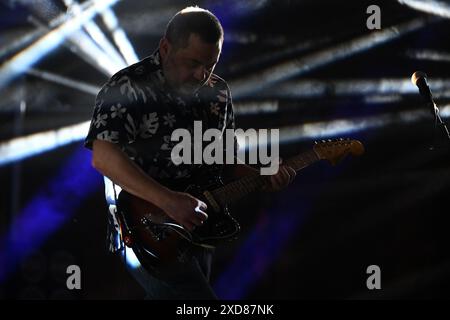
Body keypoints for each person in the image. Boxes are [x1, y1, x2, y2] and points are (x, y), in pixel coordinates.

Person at [84, 6, 296, 299]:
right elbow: (103, 156)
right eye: (192, 62)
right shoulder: (128, 86)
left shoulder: (218, 93)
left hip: (199, 226)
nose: (201, 74)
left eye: (210, 65)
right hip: (142, 228)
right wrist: (169, 201)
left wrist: (262, 175)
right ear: (166, 47)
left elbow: (223, 159)